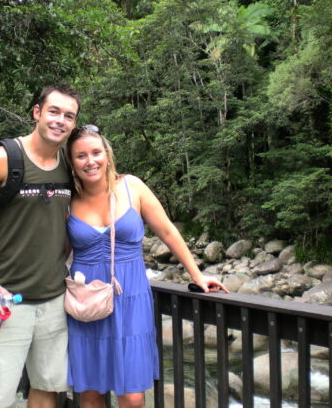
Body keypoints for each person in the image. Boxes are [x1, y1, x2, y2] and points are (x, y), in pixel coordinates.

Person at [65, 125, 228, 408]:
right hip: (85, 301)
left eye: (95, 152)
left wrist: (196, 274)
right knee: (91, 392)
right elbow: (56, 251)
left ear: (107, 153)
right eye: (80, 156)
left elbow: (167, 232)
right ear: (71, 162)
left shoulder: (132, 187)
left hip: (130, 299)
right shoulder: (67, 199)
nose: (90, 161)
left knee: (132, 396)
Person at [0, 83, 80, 408]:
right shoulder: (3, 159)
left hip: (54, 299)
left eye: (68, 116)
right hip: (6, 301)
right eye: (54, 111)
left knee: (47, 388)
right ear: (37, 112)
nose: (60, 121)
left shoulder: (69, 166)